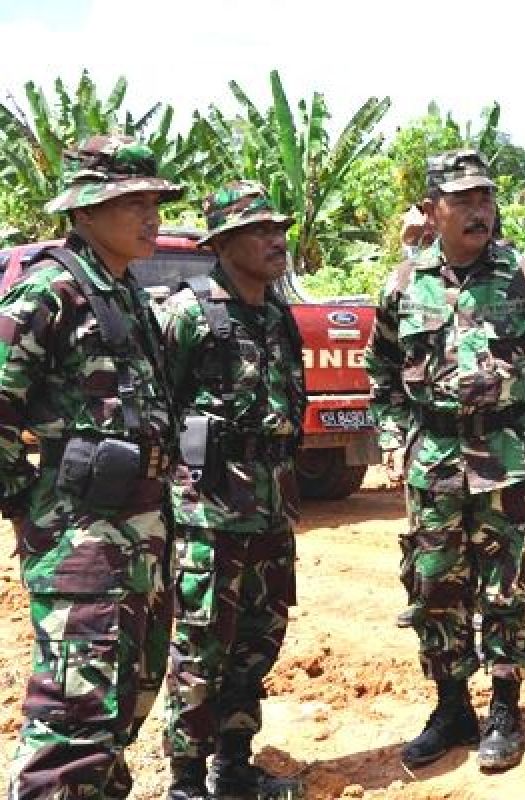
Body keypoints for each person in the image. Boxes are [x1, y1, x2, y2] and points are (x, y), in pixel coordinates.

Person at [366, 149, 525, 772]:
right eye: (462, 201)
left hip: (508, 456)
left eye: (485, 198)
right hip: (431, 458)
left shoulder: (524, 276)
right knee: (435, 586)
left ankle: (506, 709)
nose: (478, 211)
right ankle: (452, 705)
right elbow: (380, 369)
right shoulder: (403, 284)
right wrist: (393, 433)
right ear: (432, 210)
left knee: (508, 586)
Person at [0, 135, 180, 799]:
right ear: (83, 211)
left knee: (118, 712)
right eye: (130, 202)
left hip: (140, 543)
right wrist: (31, 502)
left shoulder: (125, 294)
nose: (150, 214)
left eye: (153, 200)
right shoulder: (50, 292)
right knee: (71, 729)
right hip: (83, 550)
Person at [159, 182, 307, 799]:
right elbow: (157, 408)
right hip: (208, 514)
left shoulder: (276, 312)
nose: (276, 240)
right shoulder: (189, 313)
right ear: (222, 244)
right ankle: (188, 783)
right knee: (200, 649)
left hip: (271, 508)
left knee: (257, 642)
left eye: (279, 228)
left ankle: (233, 768)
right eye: (259, 231)